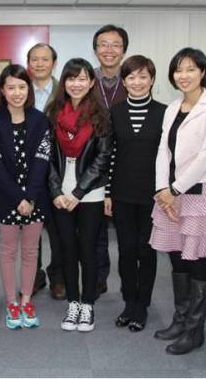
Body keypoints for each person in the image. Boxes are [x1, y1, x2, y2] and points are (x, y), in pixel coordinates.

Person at [149, 48, 206, 355]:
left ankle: (194, 331)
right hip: (169, 194)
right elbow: (163, 151)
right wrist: (161, 189)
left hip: (196, 194)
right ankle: (180, 320)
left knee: (197, 263)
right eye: (178, 70)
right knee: (177, 258)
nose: (183, 76)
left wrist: (175, 190)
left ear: (203, 72)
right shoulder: (172, 107)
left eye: (190, 69)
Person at [46, 58, 113, 332]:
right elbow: (47, 157)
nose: (77, 84)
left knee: (88, 247)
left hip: (90, 190)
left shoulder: (101, 115)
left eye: (83, 78)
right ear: (65, 82)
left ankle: (87, 304)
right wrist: (55, 190)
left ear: (91, 82)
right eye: (71, 78)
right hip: (61, 191)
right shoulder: (53, 113)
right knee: (66, 248)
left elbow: (102, 158)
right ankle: (72, 302)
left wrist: (78, 191)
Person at [0, 64, 51, 329]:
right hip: (7, 198)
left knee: (31, 251)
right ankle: (11, 300)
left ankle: (26, 299)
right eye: (10, 87)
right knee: (9, 250)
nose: (16, 92)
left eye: (22, 87)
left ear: (29, 89)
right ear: (2, 89)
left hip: (35, 198)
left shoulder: (40, 120)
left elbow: (42, 161)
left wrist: (30, 197)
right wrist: (17, 198)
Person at [103, 55, 166, 332]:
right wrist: (107, 194)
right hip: (122, 193)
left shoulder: (165, 112)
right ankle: (130, 302)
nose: (137, 82)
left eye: (143, 77)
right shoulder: (114, 112)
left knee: (147, 250)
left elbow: (169, 157)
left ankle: (143, 304)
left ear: (152, 79)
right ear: (124, 81)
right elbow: (110, 155)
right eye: (131, 77)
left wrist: (166, 191)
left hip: (153, 195)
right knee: (126, 250)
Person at [91, 25, 129, 297]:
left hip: (127, 163)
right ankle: (99, 276)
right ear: (95, 50)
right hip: (93, 164)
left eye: (115, 45)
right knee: (96, 229)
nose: (109, 50)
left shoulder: (133, 79)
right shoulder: (86, 80)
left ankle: (131, 284)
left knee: (127, 229)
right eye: (103, 44)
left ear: (123, 50)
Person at [26, 42, 65, 300]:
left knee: (59, 228)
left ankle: (58, 276)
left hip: (58, 169)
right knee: (31, 230)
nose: (40, 64)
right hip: (28, 170)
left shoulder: (65, 91)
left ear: (54, 63)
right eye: (35, 59)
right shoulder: (20, 89)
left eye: (45, 59)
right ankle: (34, 275)